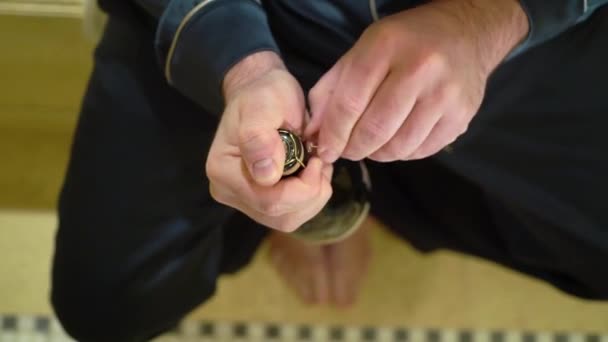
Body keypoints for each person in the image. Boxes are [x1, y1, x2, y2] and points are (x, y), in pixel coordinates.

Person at [51, 0, 608, 341]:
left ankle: (373, 187)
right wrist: (240, 66)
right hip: (252, 20)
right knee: (107, 305)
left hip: (519, 35)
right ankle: (316, 193)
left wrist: (486, 18)